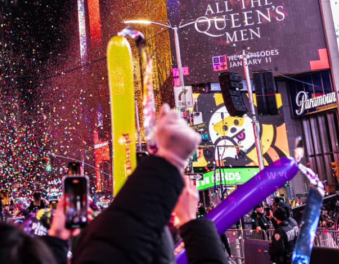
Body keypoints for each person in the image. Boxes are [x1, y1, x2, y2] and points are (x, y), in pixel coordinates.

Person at [72, 104, 230, 264]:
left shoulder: (98, 233)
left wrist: (168, 163)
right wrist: (190, 221)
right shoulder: (106, 235)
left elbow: (118, 239)